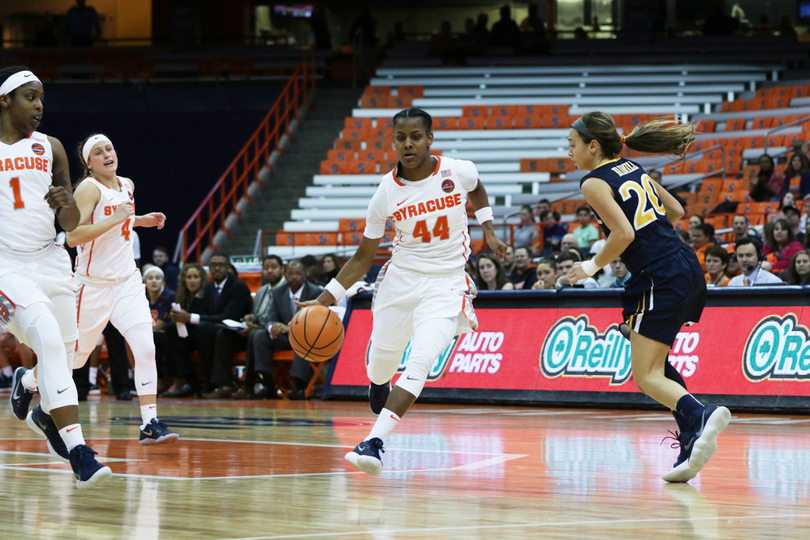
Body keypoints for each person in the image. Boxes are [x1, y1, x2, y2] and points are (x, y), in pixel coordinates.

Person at [297, 107, 507, 476]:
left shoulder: (457, 170)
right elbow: (363, 257)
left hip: (447, 283)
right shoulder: (386, 193)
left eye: (415, 137)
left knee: (422, 359)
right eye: (400, 138)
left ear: (429, 139)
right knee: (383, 356)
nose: (408, 144)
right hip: (400, 280)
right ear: (393, 142)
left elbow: (477, 189)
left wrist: (487, 227)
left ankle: (373, 443)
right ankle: (378, 383)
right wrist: (327, 297)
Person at [566, 111, 730, 483]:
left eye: (572, 145)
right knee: (657, 360)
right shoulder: (630, 167)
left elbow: (622, 234)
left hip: (657, 272)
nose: (569, 153)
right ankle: (691, 438)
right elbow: (676, 210)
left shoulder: (593, 181)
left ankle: (702, 415)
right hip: (685, 263)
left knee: (645, 375)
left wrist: (590, 267)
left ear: (593, 146)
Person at [1, 66, 111, 487]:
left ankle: (40, 406)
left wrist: (66, 202)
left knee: (67, 353)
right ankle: (79, 452)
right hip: (5, 267)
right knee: (45, 336)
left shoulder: (53, 148)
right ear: (5, 100)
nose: (39, 105)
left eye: (42, 97)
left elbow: (68, 223)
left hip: (50, 260)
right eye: (30, 96)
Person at [63, 133, 177, 444]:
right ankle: (30, 381)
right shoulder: (88, 189)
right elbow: (73, 237)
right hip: (93, 286)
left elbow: (118, 222)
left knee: (145, 348)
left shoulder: (126, 184)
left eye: (109, 148)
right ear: (89, 163)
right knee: (76, 357)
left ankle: (149, 422)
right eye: (98, 153)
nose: (106, 155)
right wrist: (118, 219)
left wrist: (141, 220)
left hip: (127, 282)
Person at [164, 253, 253, 397]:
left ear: (228, 267)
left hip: (234, 335)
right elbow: (206, 313)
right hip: (208, 332)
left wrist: (190, 317)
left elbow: (228, 318)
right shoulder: (210, 287)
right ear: (209, 268)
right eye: (213, 265)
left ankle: (208, 382)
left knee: (205, 329)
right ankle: (189, 380)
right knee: (172, 330)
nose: (217, 268)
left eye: (221, 265)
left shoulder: (238, 285)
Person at [201, 255, 284, 399]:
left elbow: (280, 319)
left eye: (274, 267)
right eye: (266, 268)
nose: (269, 271)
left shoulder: (286, 290)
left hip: (274, 335)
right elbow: (256, 314)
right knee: (223, 335)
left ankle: (248, 386)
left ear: (282, 269)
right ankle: (225, 385)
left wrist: (257, 327)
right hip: (257, 332)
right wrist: (250, 319)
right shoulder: (261, 290)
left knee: (255, 336)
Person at [244, 260, 323, 400]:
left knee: (303, 338)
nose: (294, 277)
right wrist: (272, 327)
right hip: (286, 338)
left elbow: (315, 322)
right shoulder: (278, 292)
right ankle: (268, 385)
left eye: (298, 274)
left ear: (305, 275)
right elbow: (271, 318)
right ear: (285, 275)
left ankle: (300, 387)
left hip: (309, 337)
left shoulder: (315, 292)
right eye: (290, 274)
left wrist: (289, 328)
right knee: (259, 335)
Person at [161, 263, 207, 396]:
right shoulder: (181, 296)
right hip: (187, 335)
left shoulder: (207, 294)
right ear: (184, 280)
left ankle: (185, 381)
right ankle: (180, 380)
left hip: (205, 334)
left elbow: (209, 317)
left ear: (202, 279)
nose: (192, 280)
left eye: (196, 277)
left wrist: (187, 318)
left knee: (172, 334)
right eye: (189, 277)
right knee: (168, 332)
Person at [144, 265, 175, 389]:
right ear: (144, 282)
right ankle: (134, 375)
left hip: (167, 336)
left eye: (157, 278)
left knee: (154, 339)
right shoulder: (141, 297)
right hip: (149, 334)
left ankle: (159, 379)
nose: (154, 281)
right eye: (150, 278)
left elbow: (160, 325)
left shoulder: (170, 296)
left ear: (163, 281)